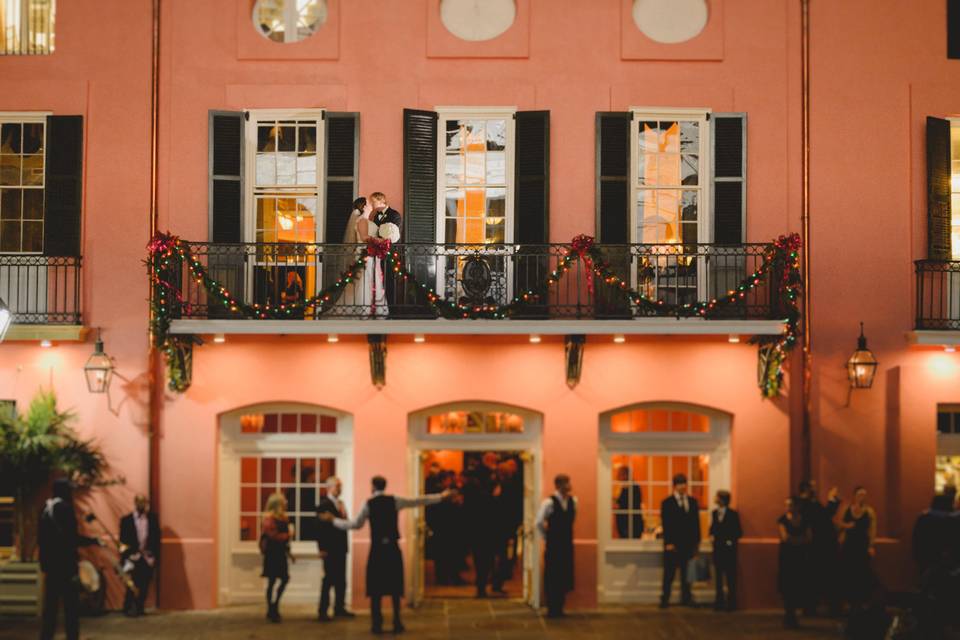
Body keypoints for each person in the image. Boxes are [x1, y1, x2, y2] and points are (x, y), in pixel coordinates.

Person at [323, 475, 453, 634]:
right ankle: (397, 621)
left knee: (375, 587)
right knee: (395, 586)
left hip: (377, 549)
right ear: (384, 486)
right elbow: (418, 501)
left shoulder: (368, 503)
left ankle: (376, 623)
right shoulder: (395, 500)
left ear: (372, 487)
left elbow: (355, 524)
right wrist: (440, 497)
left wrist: (333, 520)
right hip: (392, 548)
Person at [38, 478, 103, 640]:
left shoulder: (45, 509)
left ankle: (46, 637)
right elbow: (71, 538)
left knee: (50, 608)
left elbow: (42, 539)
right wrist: (93, 541)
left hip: (51, 567)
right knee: (71, 609)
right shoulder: (65, 509)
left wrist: (45, 563)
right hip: (66, 567)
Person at [797, 479, 841, 615]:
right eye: (813, 486)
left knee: (817, 576)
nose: (815, 489)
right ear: (806, 489)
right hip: (816, 545)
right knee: (815, 576)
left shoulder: (811, 502)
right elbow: (824, 515)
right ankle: (811, 606)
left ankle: (813, 606)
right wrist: (831, 499)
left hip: (820, 545)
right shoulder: (805, 503)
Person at [536, 473, 577, 618]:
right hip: (554, 545)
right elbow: (539, 522)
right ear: (559, 485)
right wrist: (546, 537)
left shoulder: (573, 501)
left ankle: (560, 606)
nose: (569, 485)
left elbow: (572, 519)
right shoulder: (549, 502)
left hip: (566, 544)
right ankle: (552, 607)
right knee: (553, 574)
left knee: (564, 574)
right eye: (566, 482)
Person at [659, 473, 701, 608]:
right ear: (675, 486)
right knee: (669, 574)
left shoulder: (693, 502)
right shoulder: (667, 503)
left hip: (688, 544)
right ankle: (665, 598)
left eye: (684, 484)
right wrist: (668, 542)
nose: (683, 487)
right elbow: (666, 524)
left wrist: (696, 543)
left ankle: (686, 597)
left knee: (686, 574)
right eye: (680, 484)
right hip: (673, 544)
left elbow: (696, 524)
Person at [316, 476, 354, 621]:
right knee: (328, 579)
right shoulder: (323, 504)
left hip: (341, 547)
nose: (340, 489)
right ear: (329, 487)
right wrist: (322, 548)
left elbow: (345, 522)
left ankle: (339, 608)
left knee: (341, 580)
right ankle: (323, 611)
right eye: (338, 486)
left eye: (341, 486)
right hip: (329, 548)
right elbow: (319, 529)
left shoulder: (341, 504)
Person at [118, 494, 160, 617]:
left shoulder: (152, 519)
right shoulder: (126, 520)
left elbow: (156, 538)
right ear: (135, 503)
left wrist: (154, 555)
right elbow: (122, 541)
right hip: (132, 556)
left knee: (145, 582)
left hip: (147, 556)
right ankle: (128, 607)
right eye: (140, 502)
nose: (142, 505)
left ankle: (140, 607)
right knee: (132, 583)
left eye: (144, 502)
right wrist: (126, 556)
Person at [838, 486, 877, 611]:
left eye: (864, 494)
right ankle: (849, 601)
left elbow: (872, 529)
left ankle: (861, 601)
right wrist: (846, 526)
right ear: (854, 495)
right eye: (860, 494)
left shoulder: (869, 511)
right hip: (850, 544)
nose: (862, 497)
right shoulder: (847, 509)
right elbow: (840, 524)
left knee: (862, 572)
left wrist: (871, 545)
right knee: (849, 572)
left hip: (862, 544)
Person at [778, 496, 812, 628]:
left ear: (797, 506)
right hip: (787, 558)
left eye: (790, 504)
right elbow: (785, 537)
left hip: (800, 557)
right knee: (787, 586)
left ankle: (793, 615)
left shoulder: (805, 520)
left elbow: (809, 538)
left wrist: (795, 540)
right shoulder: (782, 520)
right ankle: (789, 614)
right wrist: (800, 540)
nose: (788, 507)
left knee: (797, 585)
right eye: (786, 504)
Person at [261, 493, 294, 623]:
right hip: (272, 554)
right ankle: (271, 609)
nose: (286, 502)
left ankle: (274, 606)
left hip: (280, 553)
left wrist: (289, 553)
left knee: (284, 579)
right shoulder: (269, 519)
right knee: (272, 581)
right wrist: (288, 534)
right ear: (277, 504)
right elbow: (273, 536)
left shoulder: (284, 518)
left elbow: (283, 541)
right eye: (283, 501)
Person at [709, 490, 742, 611]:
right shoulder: (714, 513)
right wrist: (712, 535)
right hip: (718, 549)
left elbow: (738, 531)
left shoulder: (733, 514)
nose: (714, 499)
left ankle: (732, 603)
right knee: (718, 578)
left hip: (728, 550)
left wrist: (729, 541)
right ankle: (719, 602)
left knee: (730, 577)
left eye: (717, 497)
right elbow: (713, 528)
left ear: (722, 500)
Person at [369, 192, 402, 310]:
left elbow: (392, 234)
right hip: (377, 254)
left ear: (381, 200)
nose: (372, 204)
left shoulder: (394, 214)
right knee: (379, 281)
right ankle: (380, 307)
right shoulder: (376, 215)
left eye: (373, 202)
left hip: (390, 253)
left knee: (389, 281)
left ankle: (391, 308)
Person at [614, 465, 643, 539]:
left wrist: (618, 506)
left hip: (631, 524)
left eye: (619, 474)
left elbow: (634, 504)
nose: (617, 476)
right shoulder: (623, 487)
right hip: (625, 524)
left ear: (625, 475)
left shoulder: (634, 487)